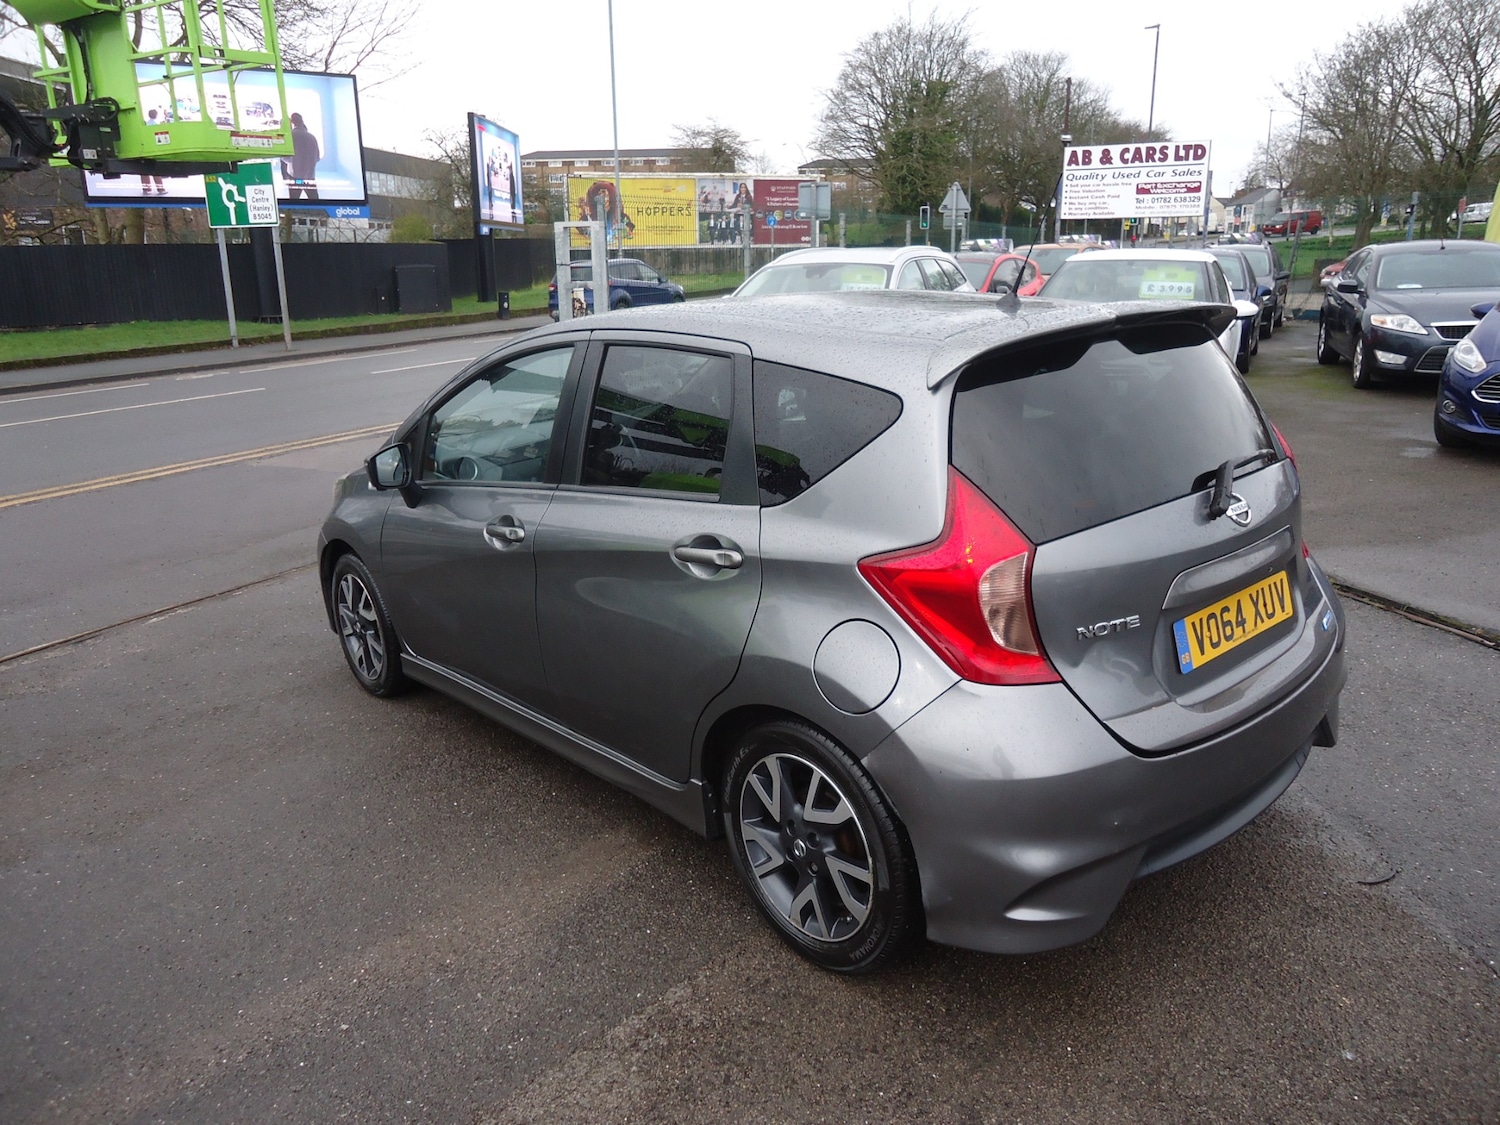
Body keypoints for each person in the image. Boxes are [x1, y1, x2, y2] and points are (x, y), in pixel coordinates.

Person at [284, 111, 320, 201]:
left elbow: (285, 157)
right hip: (309, 177)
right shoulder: (312, 137)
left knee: (293, 202)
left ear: (292, 122)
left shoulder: (290, 137)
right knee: (315, 202)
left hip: (295, 177)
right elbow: (317, 157)